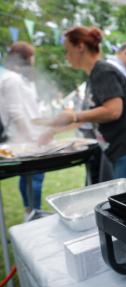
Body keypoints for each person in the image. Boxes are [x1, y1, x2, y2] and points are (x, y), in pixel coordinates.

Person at [44, 26, 126, 183]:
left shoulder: (103, 71)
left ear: (80, 47)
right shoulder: (95, 75)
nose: (66, 56)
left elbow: (113, 111)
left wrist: (74, 116)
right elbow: (93, 115)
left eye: (68, 51)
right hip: (125, 149)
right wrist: (53, 130)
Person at [0, 42, 45, 215]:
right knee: (35, 175)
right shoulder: (11, 78)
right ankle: (33, 212)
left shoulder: (18, 78)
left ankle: (30, 211)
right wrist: (31, 137)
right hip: (23, 137)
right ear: (25, 57)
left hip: (27, 134)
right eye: (32, 55)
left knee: (28, 175)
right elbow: (16, 112)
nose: (33, 59)